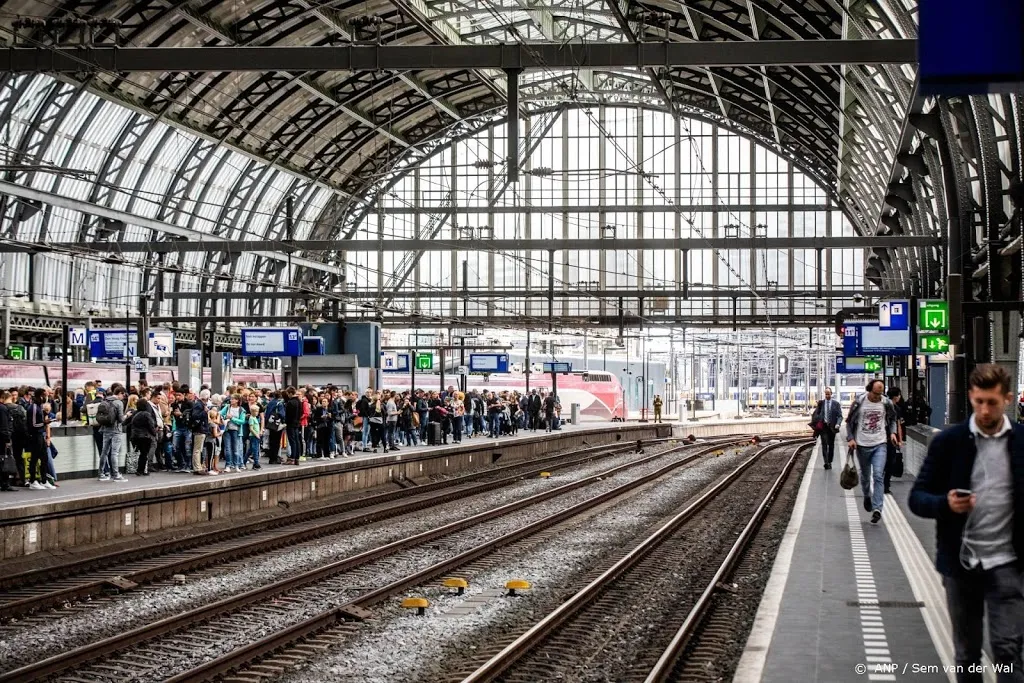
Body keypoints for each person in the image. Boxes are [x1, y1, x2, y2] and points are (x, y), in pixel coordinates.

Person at [910, 364, 1024, 683]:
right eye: (979, 402)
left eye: (992, 402)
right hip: (961, 564)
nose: (985, 410)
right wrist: (944, 504)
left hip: (1009, 563)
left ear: (1007, 399)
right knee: (967, 655)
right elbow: (917, 498)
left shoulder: (1021, 443)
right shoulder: (950, 442)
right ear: (971, 398)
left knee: (1008, 651)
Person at [845, 378, 898, 524]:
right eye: (875, 393)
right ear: (870, 390)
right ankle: (867, 496)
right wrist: (850, 438)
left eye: (880, 394)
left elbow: (893, 418)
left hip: (880, 443)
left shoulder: (885, 402)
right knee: (865, 476)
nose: (877, 397)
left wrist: (893, 433)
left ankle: (877, 509)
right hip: (862, 445)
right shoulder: (859, 402)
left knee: (879, 475)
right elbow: (849, 422)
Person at [810, 387, 842, 469]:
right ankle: (826, 462)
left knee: (831, 445)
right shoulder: (821, 403)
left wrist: (838, 424)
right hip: (823, 427)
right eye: (826, 394)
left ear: (831, 394)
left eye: (828, 394)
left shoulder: (836, 404)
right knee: (824, 444)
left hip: (832, 427)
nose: (827, 395)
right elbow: (816, 413)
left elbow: (840, 416)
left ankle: (830, 461)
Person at [885, 386, 907, 494]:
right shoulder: (896, 408)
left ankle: (882, 483)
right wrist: (900, 440)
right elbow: (898, 425)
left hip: (881, 438)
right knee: (890, 462)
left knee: (884, 462)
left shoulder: (882, 405)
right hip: (890, 439)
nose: (900, 397)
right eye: (899, 395)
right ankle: (886, 484)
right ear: (896, 396)